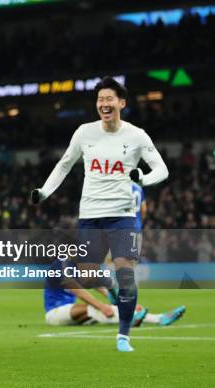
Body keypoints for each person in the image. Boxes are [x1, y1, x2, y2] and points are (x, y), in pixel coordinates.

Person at [31, 76, 169, 352]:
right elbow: (64, 165)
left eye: (109, 99)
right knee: (89, 272)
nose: (104, 104)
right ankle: (116, 293)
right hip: (90, 214)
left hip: (123, 215)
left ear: (121, 103)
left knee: (126, 274)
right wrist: (44, 192)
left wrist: (142, 178)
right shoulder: (84, 132)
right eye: (100, 100)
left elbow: (162, 170)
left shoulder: (136, 135)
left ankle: (123, 336)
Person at [44, 260, 185, 326]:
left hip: (70, 312)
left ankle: (158, 318)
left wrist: (118, 300)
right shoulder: (59, 265)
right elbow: (77, 290)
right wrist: (102, 306)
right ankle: (135, 319)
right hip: (54, 313)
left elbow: (94, 284)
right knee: (95, 309)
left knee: (110, 310)